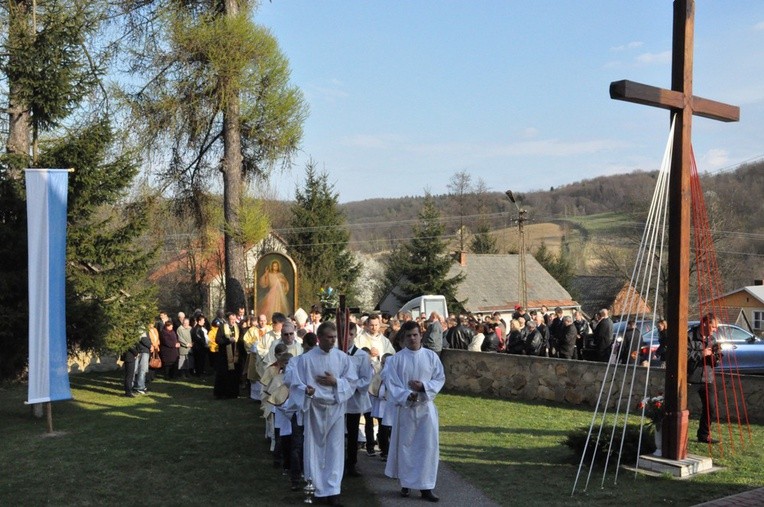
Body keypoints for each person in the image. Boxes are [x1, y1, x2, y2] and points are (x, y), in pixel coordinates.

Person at [284, 322, 357, 506]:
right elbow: (295, 382)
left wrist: (336, 382)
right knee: (314, 448)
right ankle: (316, 487)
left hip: (335, 408)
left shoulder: (342, 358)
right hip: (315, 407)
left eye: (334, 337)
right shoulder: (306, 359)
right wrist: (305, 391)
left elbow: (352, 381)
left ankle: (333, 490)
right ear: (319, 338)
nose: (333, 341)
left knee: (335, 448)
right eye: (329, 337)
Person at [383, 320, 445, 503]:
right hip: (407, 411)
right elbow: (391, 383)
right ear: (404, 337)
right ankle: (406, 483)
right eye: (408, 335)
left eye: (415, 335)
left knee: (427, 448)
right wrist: (406, 395)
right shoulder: (396, 359)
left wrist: (424, 386)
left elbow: (440, 378)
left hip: (425, 410)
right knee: (406, 447)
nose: (412, 338)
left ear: (421, 335)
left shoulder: (431, 357)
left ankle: (426, 487)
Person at [689, 313, 720, 444]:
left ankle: (704, 435)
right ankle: (675, 433)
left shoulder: (712, 339)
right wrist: (702, 353)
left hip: (708, 378)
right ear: (705, 323)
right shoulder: (689, 336)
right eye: (713, 327)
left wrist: (715, 356)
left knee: (710, 408)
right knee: (681, 407)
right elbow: (684, 355)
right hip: (690, 377)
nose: (715, 330)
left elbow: (715, 362)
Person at [214, 312, 241, 399]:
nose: (233, 321)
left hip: (235, 356)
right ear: (227, 320)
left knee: (234, 375)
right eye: (231, 319)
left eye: (234, 319)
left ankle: (233, 393)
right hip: (224, 356)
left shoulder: (237, 327)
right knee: (224, 375)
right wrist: (228, 340)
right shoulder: (222, 327)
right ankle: (222, 394)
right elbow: (218, 340)